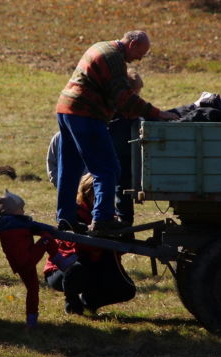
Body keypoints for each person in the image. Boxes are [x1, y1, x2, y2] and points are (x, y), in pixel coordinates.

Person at [55, 30, 178, 237]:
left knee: (69, 168)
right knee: (108, 168)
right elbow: (124, 98)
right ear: (132, 44)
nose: (140, 58)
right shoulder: (114, 59)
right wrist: (158, 114)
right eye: (141, 52)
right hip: (86, 114)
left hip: (66, 109)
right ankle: (102, 219)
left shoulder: (100, 45)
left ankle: (65, 218)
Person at [44, 174, 136, 315]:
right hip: (65, 269)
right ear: (88, 192)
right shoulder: (72, 213)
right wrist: (103, 237)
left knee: (125, 289)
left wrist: (123, 238)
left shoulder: (109, 217)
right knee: (78, 271)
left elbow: (117, 251)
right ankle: (72, 305)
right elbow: (72, 248)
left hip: (94, 264)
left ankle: (89, 302)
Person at [0, 189, 77, 327]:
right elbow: (39, 227)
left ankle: (32, 320)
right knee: (46, 237)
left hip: (19, 264)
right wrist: (53, 229)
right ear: (14, 210)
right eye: (21, 208)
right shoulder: (21, 223)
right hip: (29, 259)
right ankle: (60, 260)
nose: (23, 211)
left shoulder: (2, 225)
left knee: (33, 289)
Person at [108, 68, 144, 225]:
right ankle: (122, 219)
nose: (137, 97)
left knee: (124, 187)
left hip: (128, 153)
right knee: (121, 187)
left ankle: (125, 220)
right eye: (135, 93)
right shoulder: (117, 110)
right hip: (120, 153)